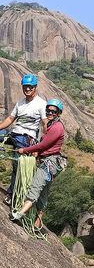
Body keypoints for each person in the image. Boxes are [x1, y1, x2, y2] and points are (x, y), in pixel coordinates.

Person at [11, 99, 66, 228]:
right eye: (48, 110)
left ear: (59, 113)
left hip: (49, 163)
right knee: (44, 191)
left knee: (35, 186)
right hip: (49, 162)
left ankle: (20, 213)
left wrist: (25, 150)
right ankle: (38, 222)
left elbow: (43, 145)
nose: (50, 113)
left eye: (54, 111)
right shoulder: (52, 124)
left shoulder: (57, 127)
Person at [0, 74, 47, 204]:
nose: (27, 89)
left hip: (26, 138)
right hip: (14, 134)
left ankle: (11, 195)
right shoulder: (20, 103)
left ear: (35, 87)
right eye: (25, 86)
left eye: (30, 87)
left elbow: (45, 124)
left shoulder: (41, 104)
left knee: (17, 166)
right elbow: (10, 119)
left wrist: (41, 145)